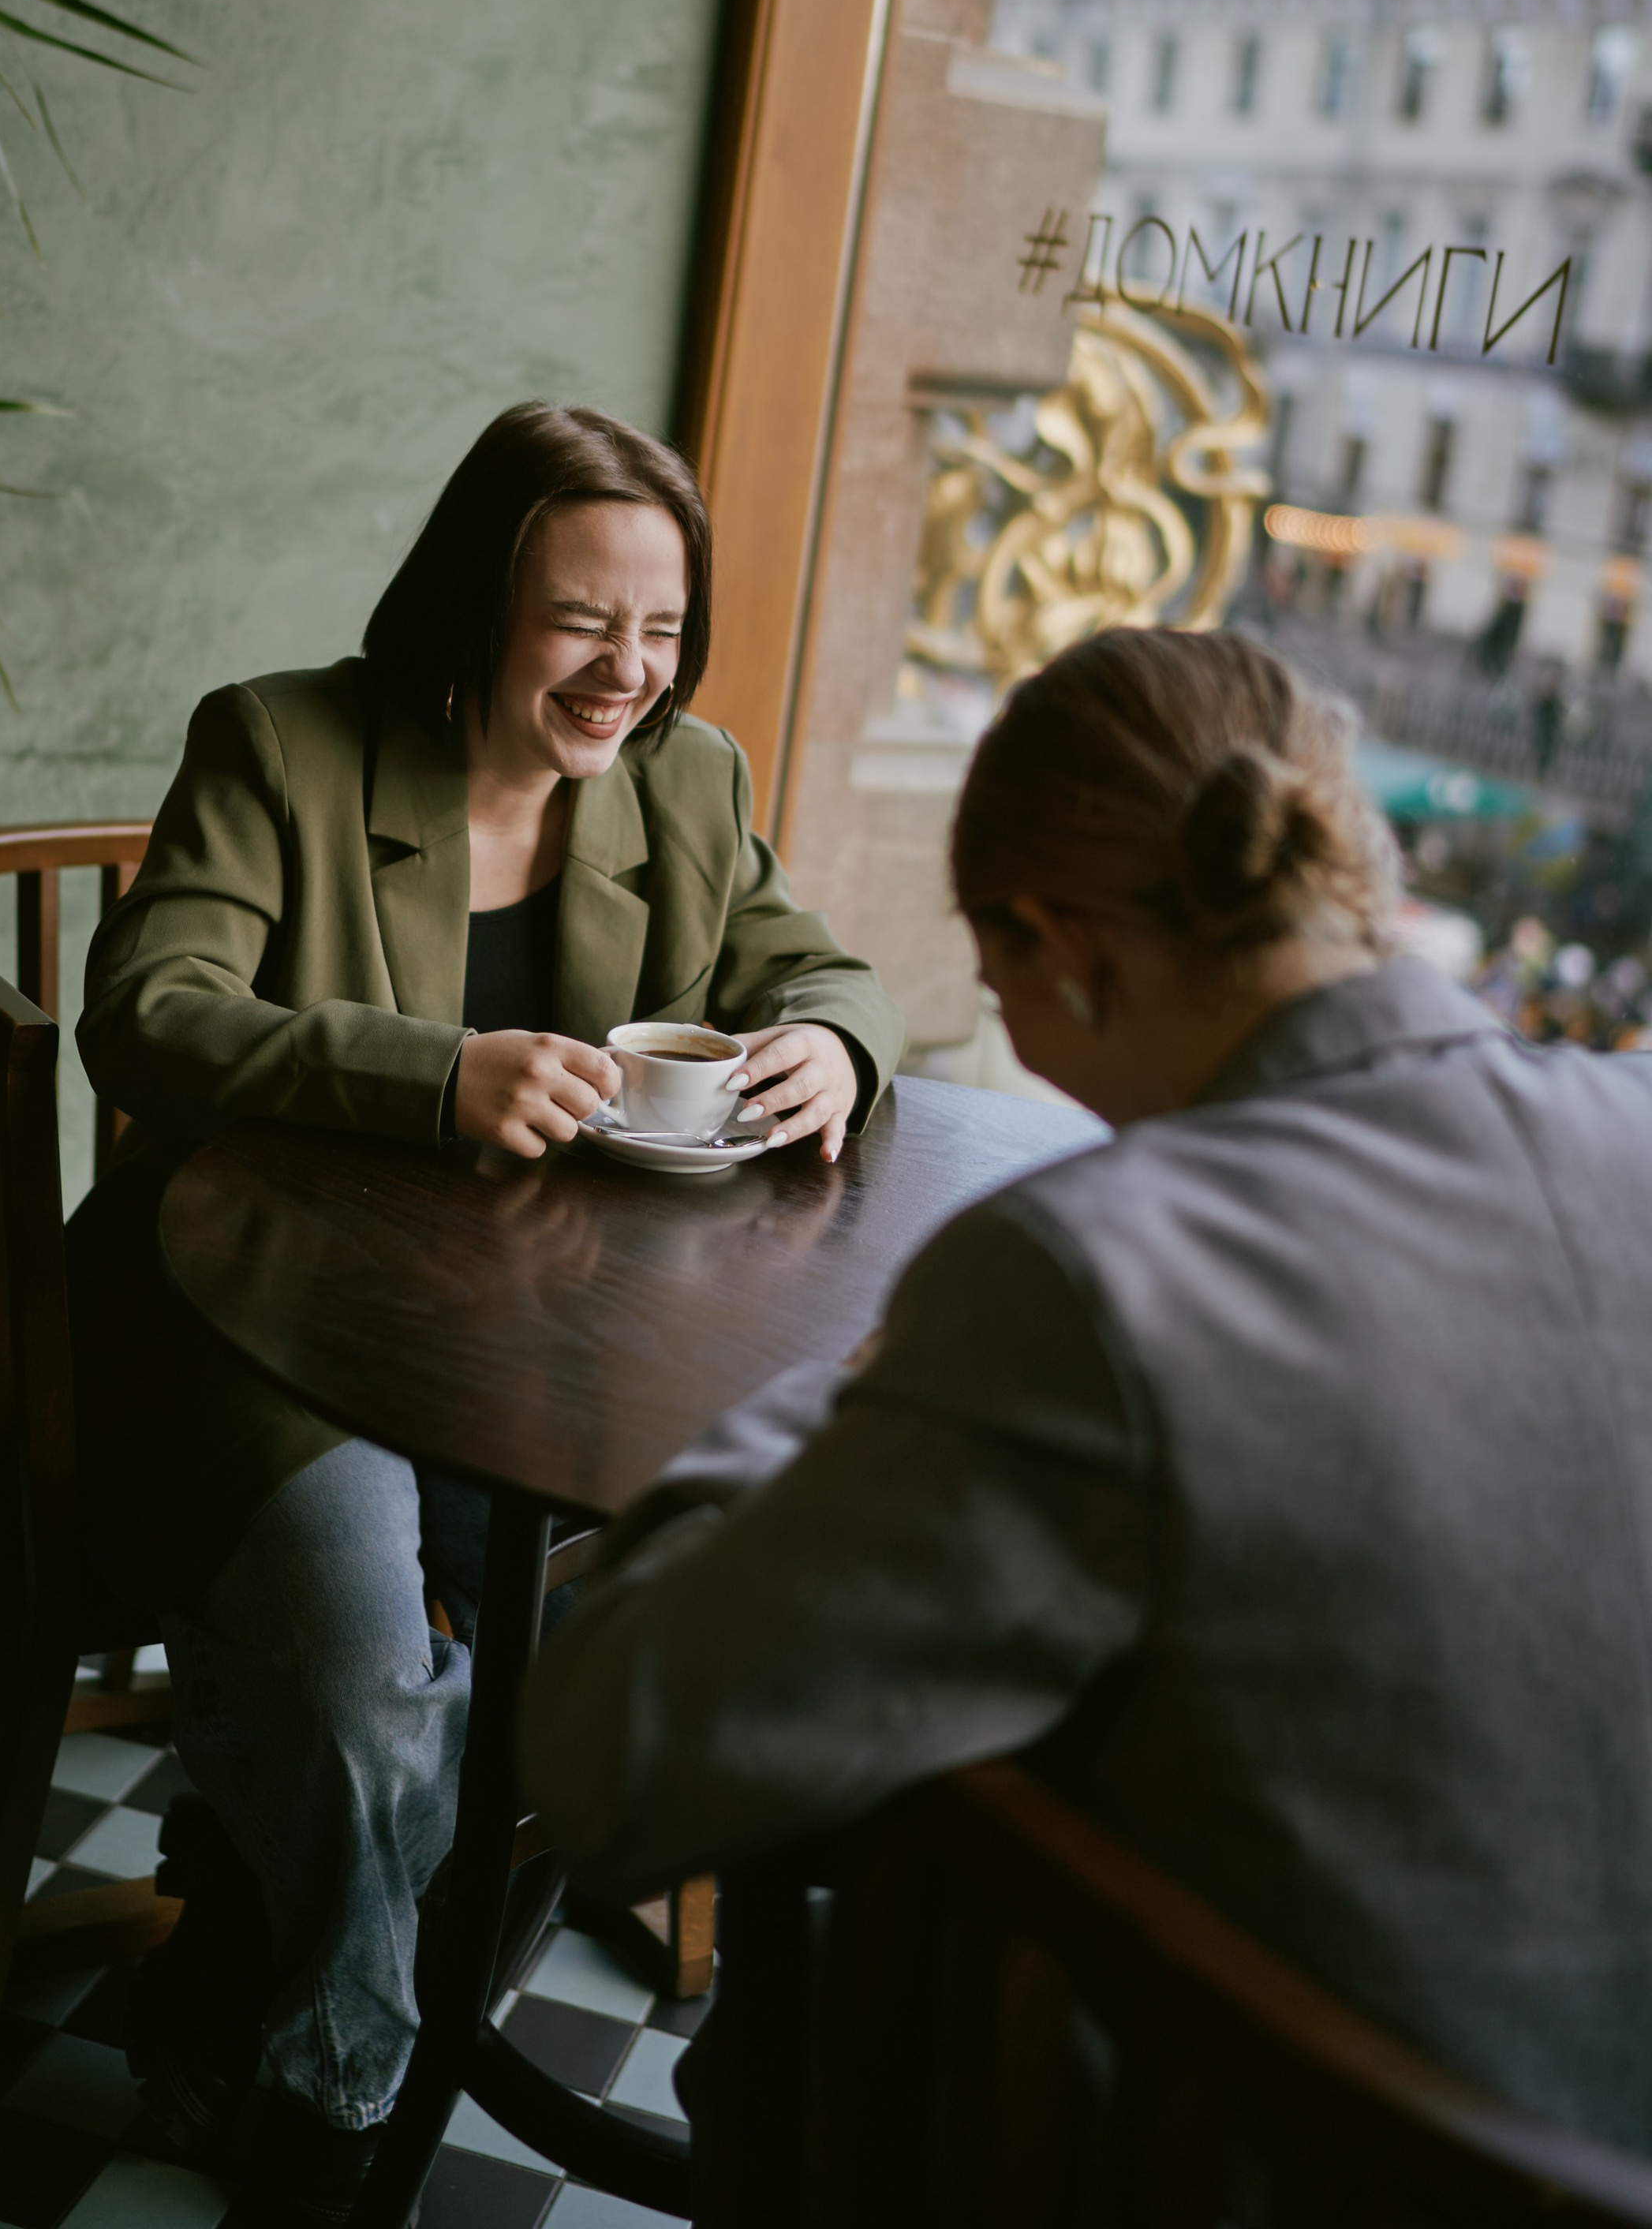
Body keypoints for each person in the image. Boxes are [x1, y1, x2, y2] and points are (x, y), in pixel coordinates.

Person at [519, 626, 1652, 2156]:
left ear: (1062, 950)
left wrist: (847, 1389)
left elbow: (613, 1764)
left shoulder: (1088, 1277)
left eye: (1002, 986)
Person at [65, 401, 903, 2222]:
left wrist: (831, 1042)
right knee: (372, 1676)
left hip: (521, 1345)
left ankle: (251, 1953)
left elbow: (813, 959)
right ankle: (347, 2070)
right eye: (580, 622)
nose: (626, 672)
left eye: (661, 629)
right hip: (257, 1330)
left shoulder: (687, 780)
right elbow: (145, 1006)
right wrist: (427, 1074)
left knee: (631, 1643)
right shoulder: (280, 743)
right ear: (472, 601)